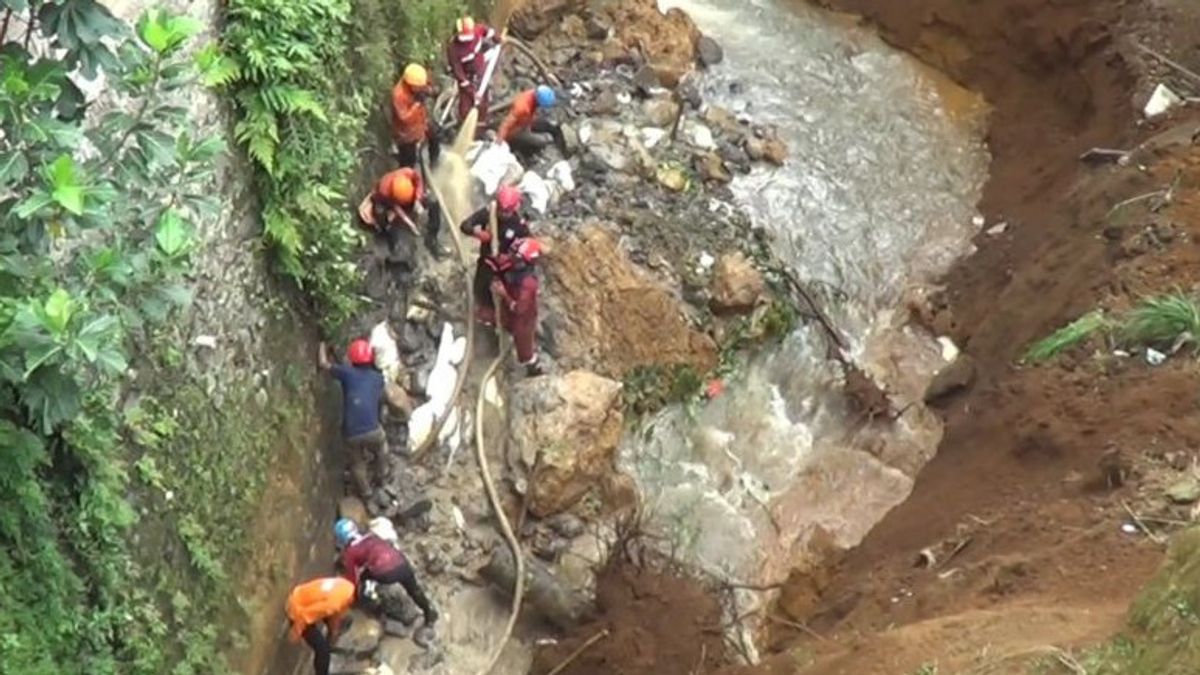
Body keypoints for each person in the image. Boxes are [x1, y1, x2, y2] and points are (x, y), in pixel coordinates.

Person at [334, 519, 438, 627]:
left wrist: (353, 597)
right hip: (402, 563)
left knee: (364, 578)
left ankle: (376, 606)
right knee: (414, 589)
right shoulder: (372, 537)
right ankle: (428, 613)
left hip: (385, 573)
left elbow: (353, 578)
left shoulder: (350, 553)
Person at [319, 340, 387, 499]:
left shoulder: (346, 373)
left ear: (351, 359)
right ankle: (381, 476)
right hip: (373, 430)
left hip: (351, 434)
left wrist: (323, 344)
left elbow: (323, 363)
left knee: (357, 463)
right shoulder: (377, 378)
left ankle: (366, 492)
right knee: (381, 448)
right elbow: (380, 398)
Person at [459, 185, 530, 327]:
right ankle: (481, 318)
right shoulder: (489, 213)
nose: (503, 215)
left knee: (502, 299)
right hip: (486, 262)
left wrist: (509, 257)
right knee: (480, 290)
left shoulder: (518, 225)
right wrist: (478, 233)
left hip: (505, 269)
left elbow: (525, 248)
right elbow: (465, 225)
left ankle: (500, 323)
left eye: (506, 212)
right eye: (501, 211)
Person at [357, 167, 443, 259]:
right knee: (380, 212)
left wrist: (417, 199)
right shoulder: (384, 191)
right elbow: (396, 208)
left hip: (411, 197)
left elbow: (418, 181)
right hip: (385, 202)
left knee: (433, 202)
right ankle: (386, 230)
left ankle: (432, 237)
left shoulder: (408, 172)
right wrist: (410, 224)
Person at [491, 236, 544, 376]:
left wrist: (503, 294)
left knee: (524, 349)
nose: (512, 258)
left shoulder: (528, 284)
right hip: (509, 309)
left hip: (523, 319)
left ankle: (533, 369)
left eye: (516, 257)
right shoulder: (516, 267)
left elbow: (519, 308)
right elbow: (501, 262)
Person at [286, 576, 356, 675]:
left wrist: (334, 631)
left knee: (343, 622)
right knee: (322, 651)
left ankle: (328, 646)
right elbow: (305, 616)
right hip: (298, 609)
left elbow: (336, 614)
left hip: (303, 595)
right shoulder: (333, 605)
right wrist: (296, 631)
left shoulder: (348, 587)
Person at [446, 16, 499, 123]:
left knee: (483, 102)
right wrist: (471, 91)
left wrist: (497, 39)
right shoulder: (454, 49)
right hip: (466, 76)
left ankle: (481, 124)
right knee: (465, 108)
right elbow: (458, 72)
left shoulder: (477, 31)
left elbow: (488, 32)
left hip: (480, 69)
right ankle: (462, 126)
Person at [497, 85, 568, 159]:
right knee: (544, 140)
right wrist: (499, 142)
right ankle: (527, 153)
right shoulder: (522, 107)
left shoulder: (533, 93)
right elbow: (506, 124)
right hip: (515, 131)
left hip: (526, 121)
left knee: (548, 125)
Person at [391, 63, 439, 167]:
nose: (421, 89)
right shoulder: (399, 95)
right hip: (406, 133)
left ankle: (434, 163)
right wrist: (416, 104)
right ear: (410, 85)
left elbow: (427, 86)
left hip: (421, 121)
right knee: (409, 160)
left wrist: (430, 91)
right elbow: (404, 118)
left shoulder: (418, 80)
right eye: (419, 88)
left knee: (435, 136)